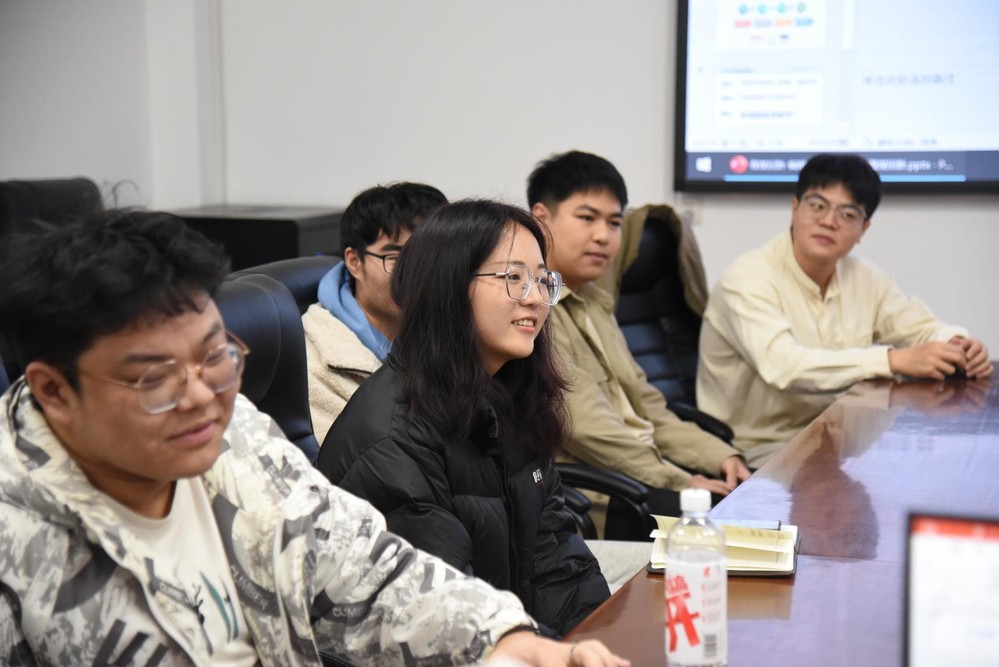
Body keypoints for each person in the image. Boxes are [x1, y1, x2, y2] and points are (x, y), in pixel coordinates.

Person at [0, 209, 629, 667]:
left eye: (215, 356)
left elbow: (365, 570)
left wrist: (503, 638)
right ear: (54, 389)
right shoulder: (15, 541)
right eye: (155, 378)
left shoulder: (238, 437)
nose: (201, 397)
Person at [316, 200, 611, 638]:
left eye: (541, 279)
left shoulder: (508, 395)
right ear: (448, 287)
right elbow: (447, 619)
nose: (535, 298)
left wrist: (599, 641)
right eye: (513, 278)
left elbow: (556, 563)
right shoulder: (394, 439)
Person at [697, 153, 994, 469]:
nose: (829, 221)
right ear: (795, 208)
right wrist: (892, 360)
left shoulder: (865, 278)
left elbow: (919, 326)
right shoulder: (748, 277)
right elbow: (783, 366)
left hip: (835, 439)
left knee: (940, 469)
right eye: (817, 205)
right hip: (758, 449)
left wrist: (957, 345)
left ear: (864, 228)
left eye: (848, 213)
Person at [527, 150, 750, 521]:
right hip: (602, 491)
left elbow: (649, 408)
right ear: (541, 218)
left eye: (614, 223)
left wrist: (719, 455)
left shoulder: (596, 303)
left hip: (649, 471)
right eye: (587, 218)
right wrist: (680, 481)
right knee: (736, 520)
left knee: (762, 494)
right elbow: (586, 429)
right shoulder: (533, 309)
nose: (603, 236)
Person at [303, 182, 447, 442]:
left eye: (427, 256)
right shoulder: (313, 361)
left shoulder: (447, 328)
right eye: (396, 258)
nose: (416, 273)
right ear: (354, 262)